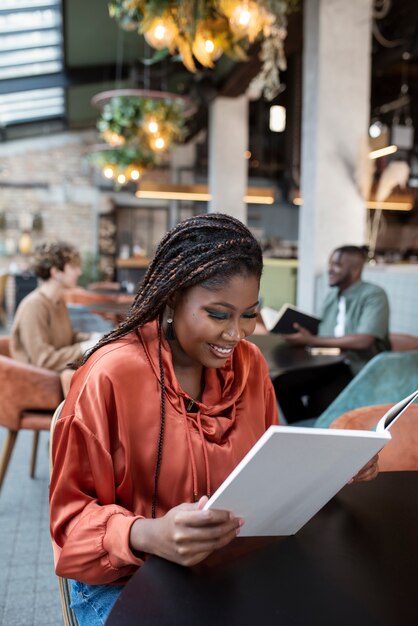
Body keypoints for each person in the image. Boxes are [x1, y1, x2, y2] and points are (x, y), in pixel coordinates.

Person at [49, 215, 378, 626]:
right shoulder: (110, 375)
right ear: (173, 298)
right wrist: (149, 534)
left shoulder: (250, 365)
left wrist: (331, 467)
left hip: (228, 568)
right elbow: (70, 528)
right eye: (219, 315)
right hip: (126, 582)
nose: (236, 335)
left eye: (249, 315)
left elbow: (262, 471)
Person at [277, 245, 390, 422]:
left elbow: (364, 340)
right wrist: (299, 332)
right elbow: (324, 332)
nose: (329, 269)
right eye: (330, 263)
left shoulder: (374, 295)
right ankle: (302, 431)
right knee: (282, 384)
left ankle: (313, 433)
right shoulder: (332, 296)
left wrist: (312, 339)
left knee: (320, 402)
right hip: (328, 364)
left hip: (357, 368)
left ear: (355, 270)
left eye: (336, 265)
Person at [10, 241, 101, 392]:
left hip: (57, 378)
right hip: (39, 386)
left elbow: (68, 337)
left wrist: (95, 337)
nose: (79, 272)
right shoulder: (33, 307)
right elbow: (44, 360)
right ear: (55, 272)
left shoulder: (58, 302)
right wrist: (84, 347)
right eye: (73, 267)